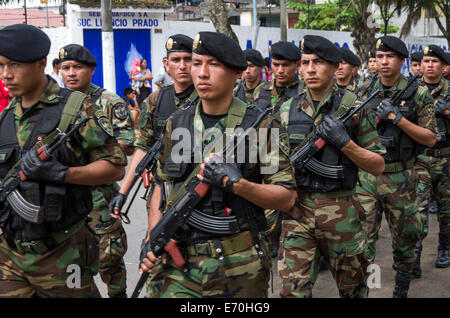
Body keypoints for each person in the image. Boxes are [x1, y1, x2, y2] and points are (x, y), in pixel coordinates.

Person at [138, 31, 296, 298]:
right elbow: (161, 186)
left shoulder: (261, 126)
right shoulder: (176, 123)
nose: (201, 73)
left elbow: (286, 197)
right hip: (177, 265)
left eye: (213, 65)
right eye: (196, 63)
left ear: (236, 73)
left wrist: (239, 184)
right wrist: (154, 236)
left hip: (238, 266)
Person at [0, 24, 127, 298]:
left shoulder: (76, 108)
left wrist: (62, 173)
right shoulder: (6, 115)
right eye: (1, 66)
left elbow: (115, 167)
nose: (6, 75)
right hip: (10, 253)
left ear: (40, 64)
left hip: (62, 248)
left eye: (14, 65)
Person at [277, 35, 385, 298]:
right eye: (305, 62)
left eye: (319, 62)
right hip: (297, 213)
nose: (310, 69)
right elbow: (272, 169)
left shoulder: (355, 109)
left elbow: (378, 164)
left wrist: (345, 143)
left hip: (343, 212)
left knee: (354, 290)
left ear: (336, 67)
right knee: (292, 292)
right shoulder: (283, 110)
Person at [110, 34, 198, 297]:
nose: (182, 65)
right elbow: (143, 146)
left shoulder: (208, 97)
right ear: (166, 64)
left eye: (188, 60)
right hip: (161, 190)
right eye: (176, 60)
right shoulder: (156, 100)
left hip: (197, 189)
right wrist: (123, 192)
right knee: (154, 250)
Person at [355, 36, 437, 298]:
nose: (384, 62)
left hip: (401, 177)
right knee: (363, 240)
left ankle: (400, 289)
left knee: (404, 240)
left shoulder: (418, 91)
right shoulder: (365, 88)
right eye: (380, 57)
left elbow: (430, 138)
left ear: (402, 61)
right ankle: (367, 288)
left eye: (390, 57)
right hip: (368, 178)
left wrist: (398, 119)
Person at [59, 43, 135, 298]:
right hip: (64, 196)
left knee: (108, 255)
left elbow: (127, 142)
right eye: (65, 68)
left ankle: (118, 294)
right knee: (71, 257)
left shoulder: (108, 101)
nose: (70, 73)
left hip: (99, 196)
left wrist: (92, 151)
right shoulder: (55, 104)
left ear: (91, 70)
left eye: (77, 67)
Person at [253, 41, 303, 257]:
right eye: (276, 64)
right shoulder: (260, 92)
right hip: (266, 164)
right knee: (266, 222)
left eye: (286, 65)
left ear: (297, 65)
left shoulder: (305, 93)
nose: (280, 70)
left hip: (297, 162)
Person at [412, 45, 450, 277]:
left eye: (434, 61)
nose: (429, 65)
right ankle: (414, 256)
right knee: (418, 210)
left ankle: (444, 248)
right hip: (421, 160)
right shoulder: (411, 89)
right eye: (426, 61)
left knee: (446, 210)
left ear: (443, 66)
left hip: (446, 159)